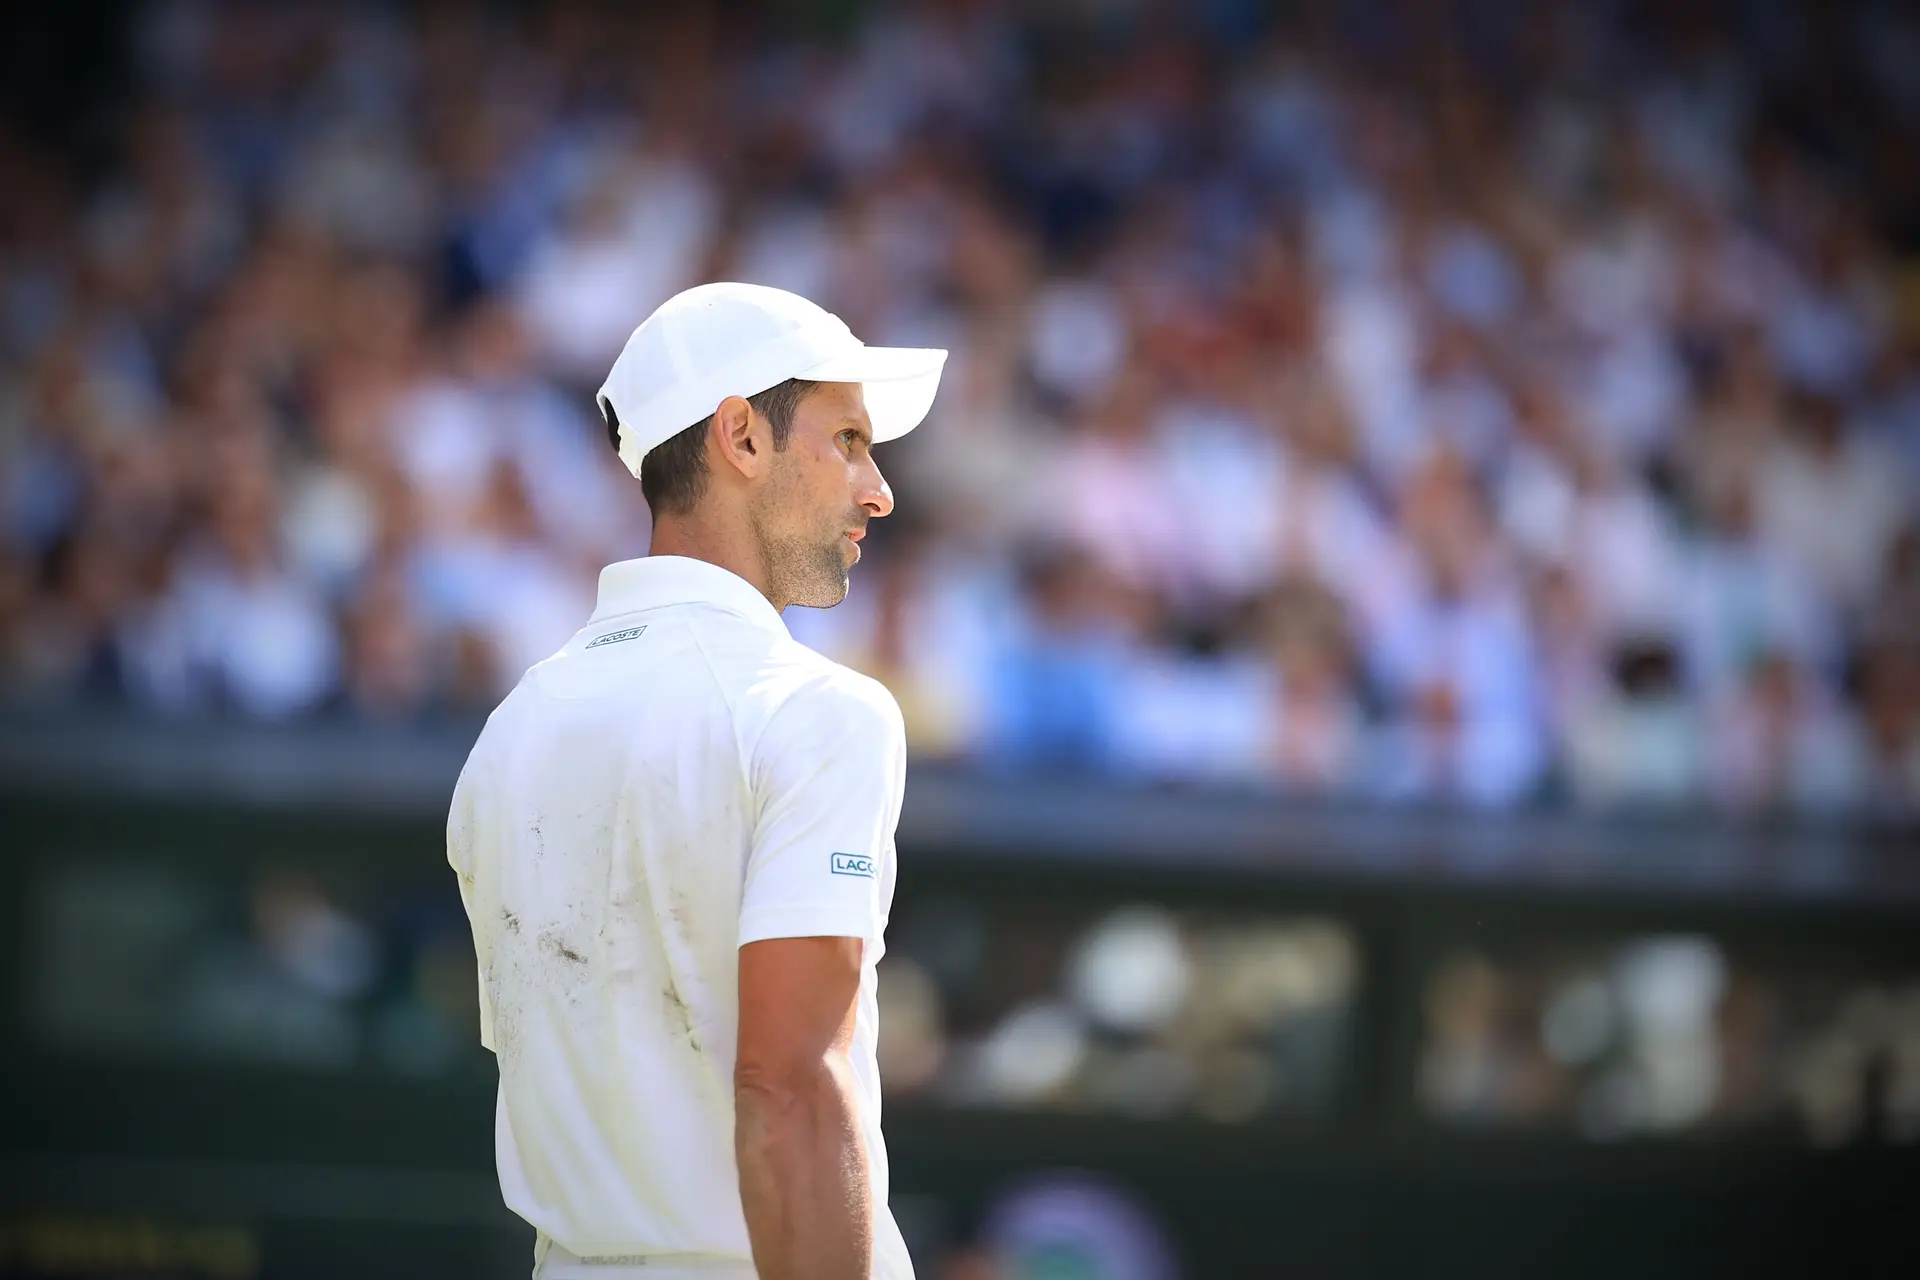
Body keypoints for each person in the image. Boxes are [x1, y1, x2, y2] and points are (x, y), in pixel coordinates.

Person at [447, 282, 946, 1280]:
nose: (878, 488)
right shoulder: (819, 712)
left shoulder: (510, 730)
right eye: (847, 439)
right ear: (740, 439)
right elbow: (789, 1090)